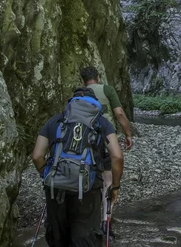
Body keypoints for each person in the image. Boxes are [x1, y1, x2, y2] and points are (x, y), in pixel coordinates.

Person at [32, 87, 124, 247]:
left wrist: (46, 174)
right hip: (88, 188)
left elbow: (37, 156)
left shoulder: (55, 121)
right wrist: (115, 186)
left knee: (58, 237)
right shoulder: (102, 122)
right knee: (85, 237)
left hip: (55, 186)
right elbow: (117, 156)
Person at [80, 66, 133, 237]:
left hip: (84, 142)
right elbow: (119, 114)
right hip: (105, 139)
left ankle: (87, 220)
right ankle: (105, 222)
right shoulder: (107, 89)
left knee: (87, 177)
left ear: (83, 80)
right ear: (98, 76)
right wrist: (128, 134)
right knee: (108, 179)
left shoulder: (79, 94)